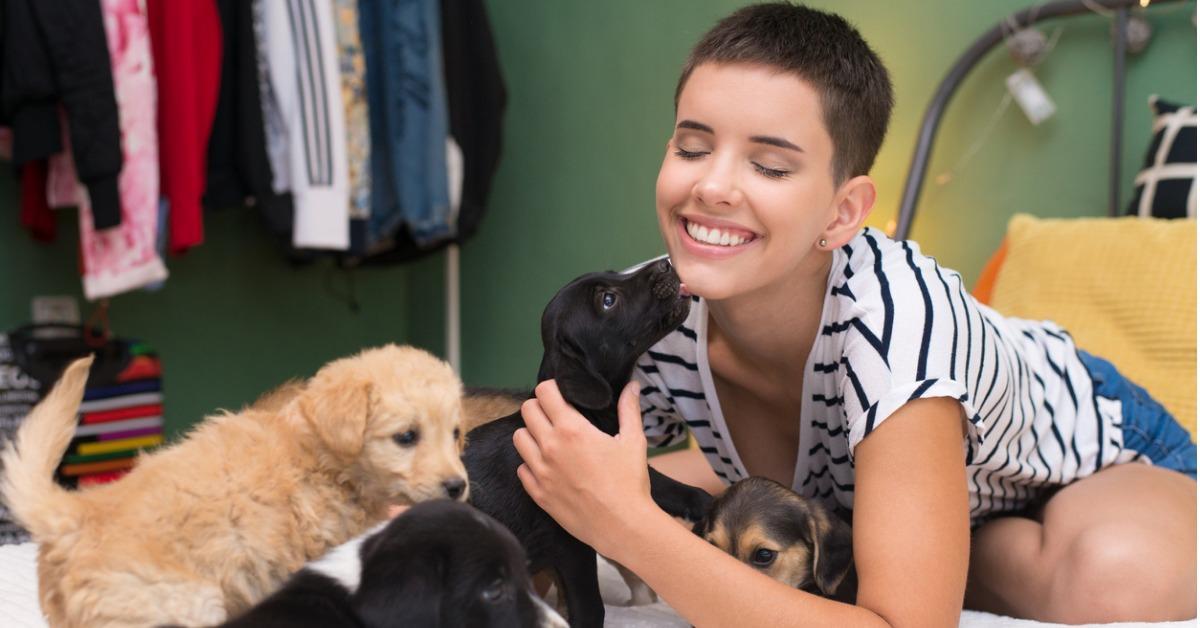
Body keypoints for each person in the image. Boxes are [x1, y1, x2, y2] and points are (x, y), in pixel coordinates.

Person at [509, 3, 1198, 626]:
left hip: (1092, 458)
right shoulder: (652, 310)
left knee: (1112, 580)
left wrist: (632, 526)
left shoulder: (898, 327)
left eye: (770, 167)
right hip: (880, 487)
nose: (712, 185)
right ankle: (896, 534)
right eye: (691, 147)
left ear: (843, 213)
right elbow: (536, 441)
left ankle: (914, 544)